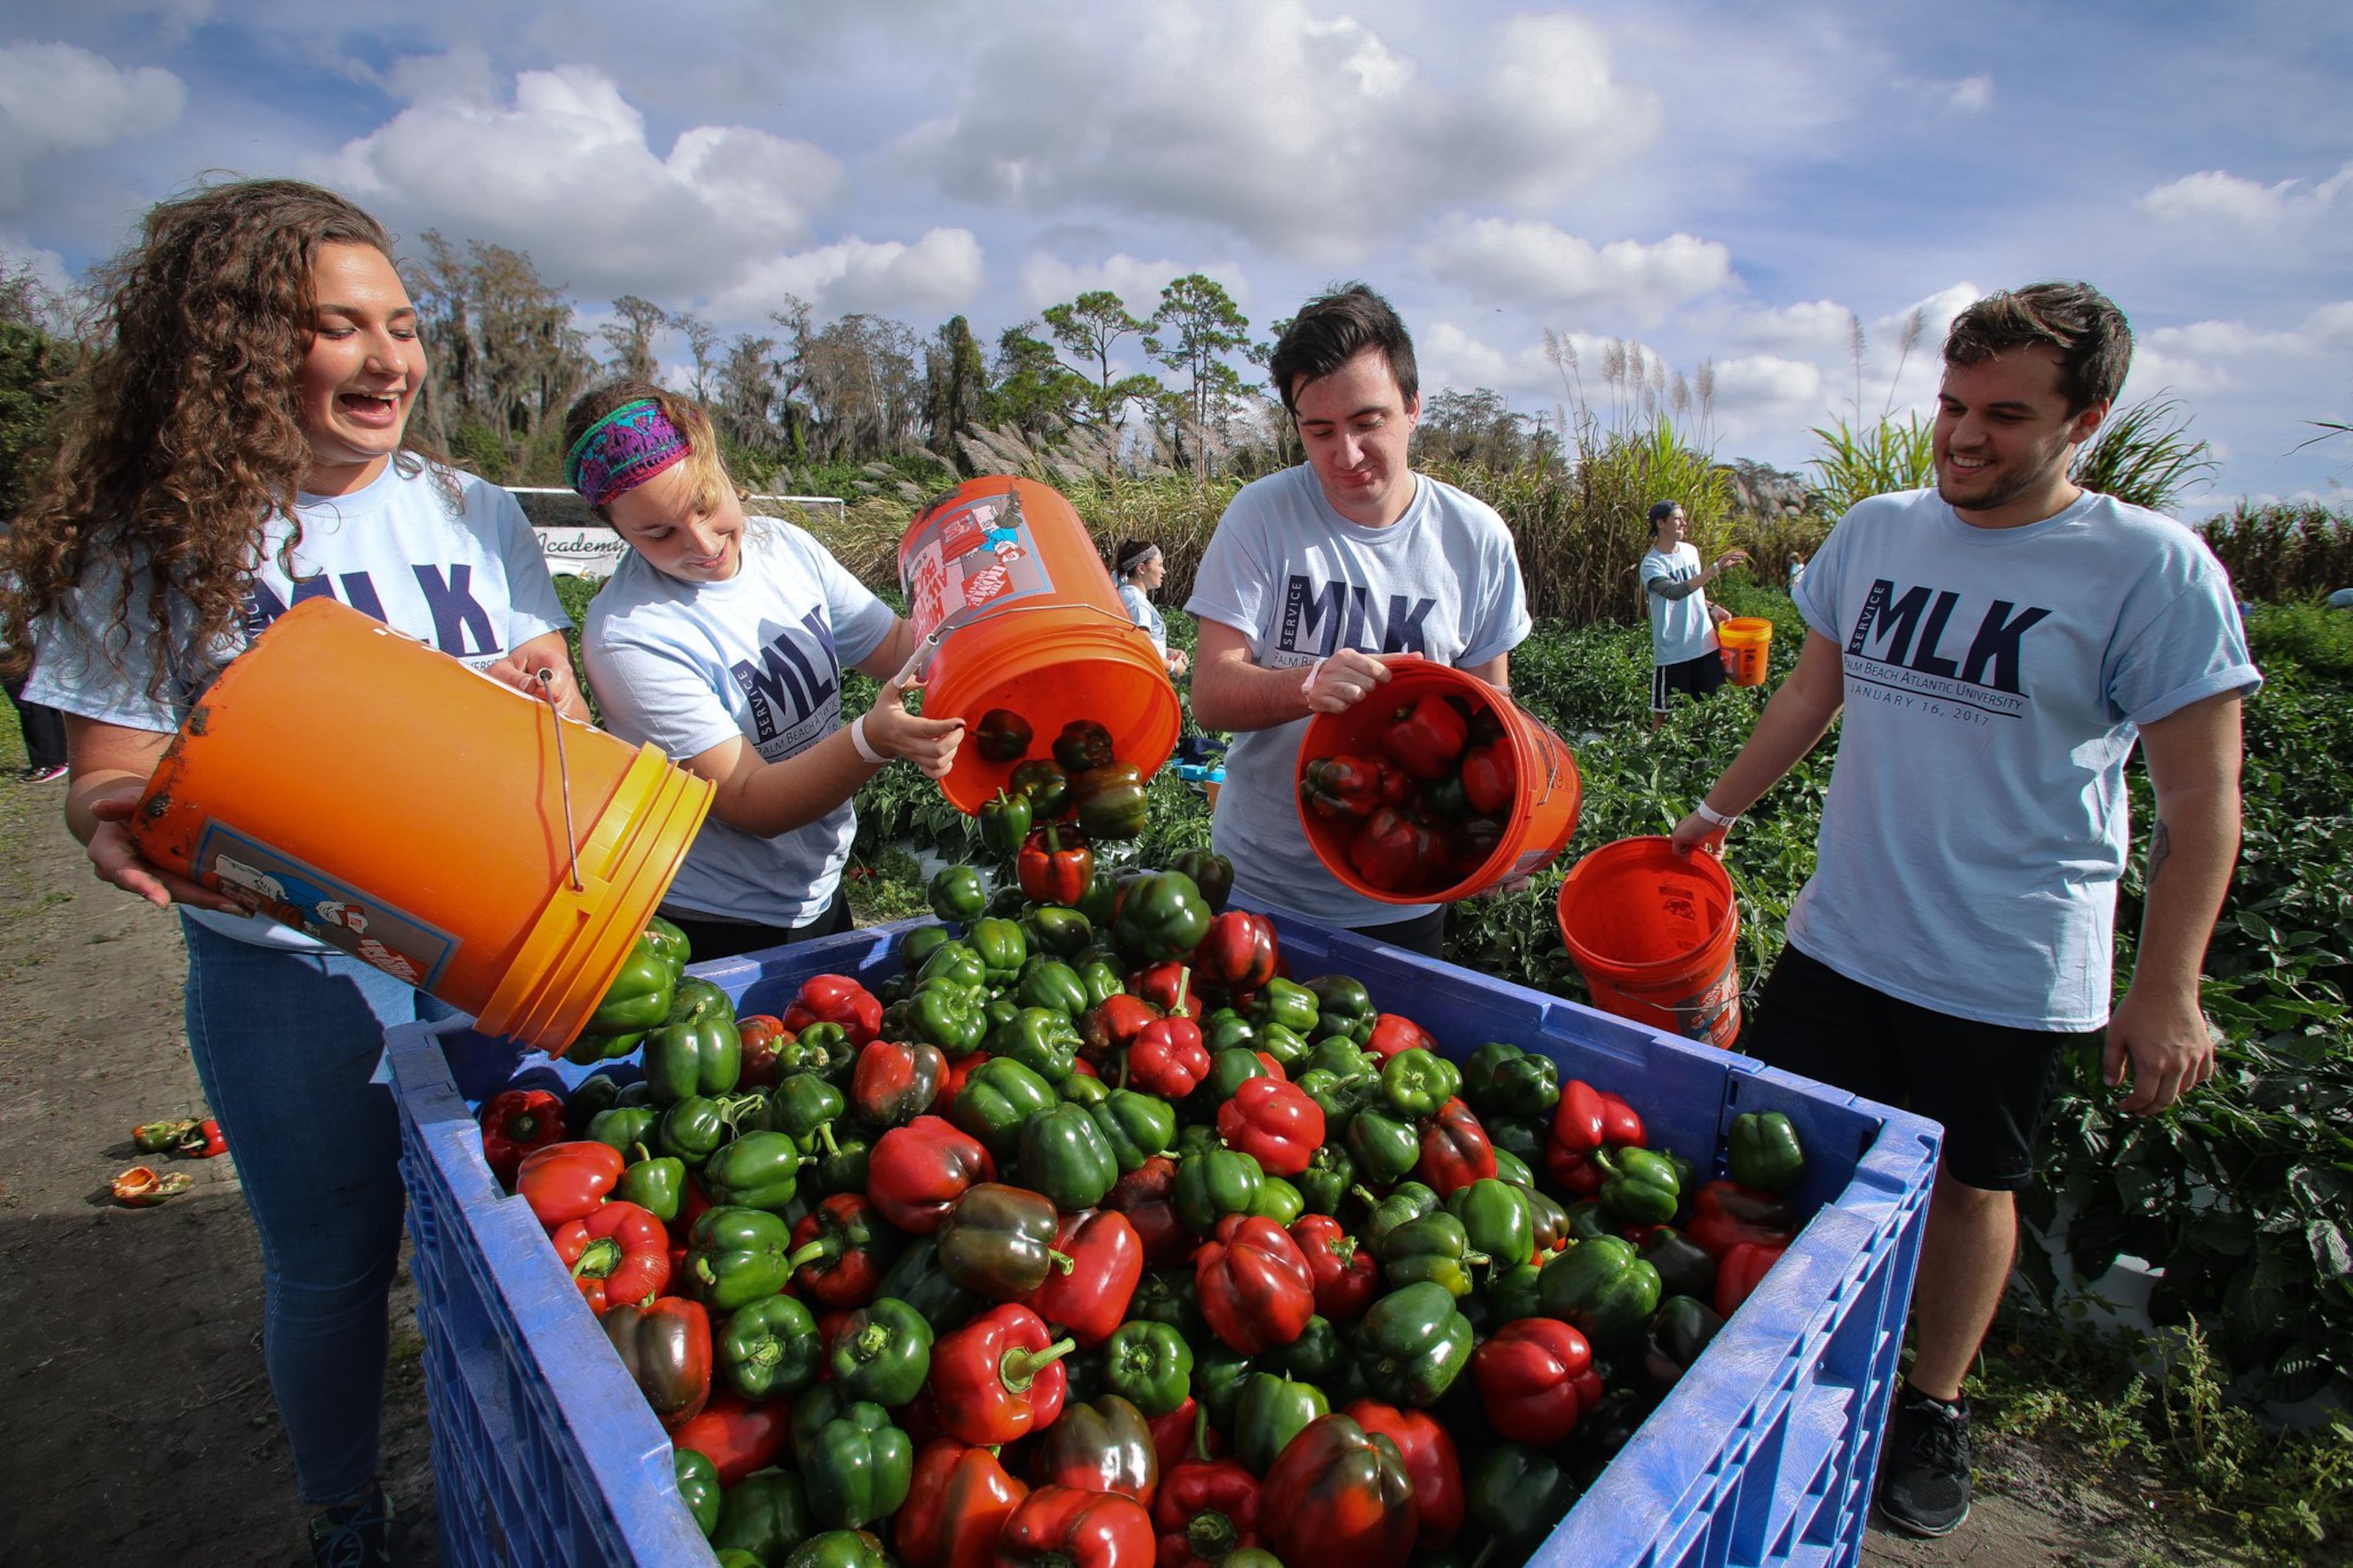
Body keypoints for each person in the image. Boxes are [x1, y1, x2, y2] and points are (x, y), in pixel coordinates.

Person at [0, 178, 589, 1567]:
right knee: (329, 1272)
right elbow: (112, 766)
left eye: (400, 324)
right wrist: (107, 807)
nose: (389, 360)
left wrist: (540, 691)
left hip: (484, 956)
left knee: (529, 1254)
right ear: (242, 346)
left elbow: (546, 700)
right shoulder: (164, 535)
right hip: (289, 983)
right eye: (339, 327)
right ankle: (343, 1508)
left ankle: (514, 1469)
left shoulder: (469, 511)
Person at [1667, 281, 2258, 1539]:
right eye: (1949, 404)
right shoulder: (1878, 532)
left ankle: (1930, 1399)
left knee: (1973, 1185)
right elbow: (1806, 698)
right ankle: (1749, 1355)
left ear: (2085, 418)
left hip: (2007, 958)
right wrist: (1715, 813)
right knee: (1772, 1150)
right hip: (1844, 931)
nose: (1962, 436)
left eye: (2004, 414)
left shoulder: (2150, 570)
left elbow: (2202, 802)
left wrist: (2170, 990)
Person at [1186, 283, 1530, 957]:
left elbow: (1494, 712)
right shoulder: (1261, 518)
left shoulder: (1475, 538)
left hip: (1406, 893)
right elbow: (1211, 695)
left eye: (1368, 422)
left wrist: (1509, 828)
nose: (1344, 455)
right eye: (1319, 431)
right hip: (1260, 885)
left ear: (1413, 408)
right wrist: (1303, 686)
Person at [564, 382, 963, 961]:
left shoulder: (785, 549)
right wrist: (872, 741)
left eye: (705, 505)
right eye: (658, 534)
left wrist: (982, 616)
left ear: (723, 467)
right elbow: (754, 802)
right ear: (618, 530)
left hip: (817, 885)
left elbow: (897, 645)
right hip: (719, 918)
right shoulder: (630, 637)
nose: (701, 544)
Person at [1640, 499, 1746, 728]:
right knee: (1664, 712)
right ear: (1661, 523)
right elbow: (1675, 592)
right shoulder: (1652, 564)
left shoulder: (1691, 552)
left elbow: (1694, 592)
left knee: (1712, 706)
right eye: (1678, 518)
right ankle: (1655, 758)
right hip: (1674, 650)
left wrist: (1711, 608)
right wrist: (1716, 568)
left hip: (1705, 642)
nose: (1684, 523)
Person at [1113, 537, 1189, 678]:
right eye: (1160, 565)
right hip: (1145, 679)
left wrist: (1167, 652)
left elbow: (1137, 644)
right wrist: (1173, 667)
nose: (1164, 571)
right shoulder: (1138, 604)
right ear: (1141, 569)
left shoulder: (1125, 595)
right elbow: (1143, 651)